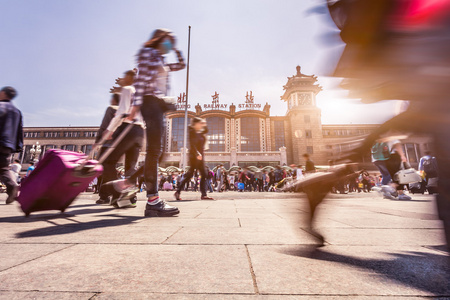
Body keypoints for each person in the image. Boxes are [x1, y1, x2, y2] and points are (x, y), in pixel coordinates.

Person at [97, 70, 144, 206]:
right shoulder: (141, 93)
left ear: (129, 79)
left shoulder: (128, 89)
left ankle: (118, 192)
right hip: (140, 131)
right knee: (131, 166)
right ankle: (131, 197)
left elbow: (122, 112)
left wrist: (109, 130)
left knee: (108, 162)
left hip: (128, 129)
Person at [174, 118, 214, 201]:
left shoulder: (200, 132)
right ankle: (178, 191)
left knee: (204, 174)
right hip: (194, 157)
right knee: (189, 175)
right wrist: (197, 153)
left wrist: (204, 123)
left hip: (200, 157)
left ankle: (204, 195)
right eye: (199, 123)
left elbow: (206, 130)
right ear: (195, 124)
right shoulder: (192, 132)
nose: (201, 125)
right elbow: (192, 145)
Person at [0, 86, 23, 204]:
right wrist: (18, 146)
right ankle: (12, 185)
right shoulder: (17, 111)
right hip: (8, 145)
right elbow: (20, 130)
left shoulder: (1, 106)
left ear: (3, 93)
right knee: (3, 169)